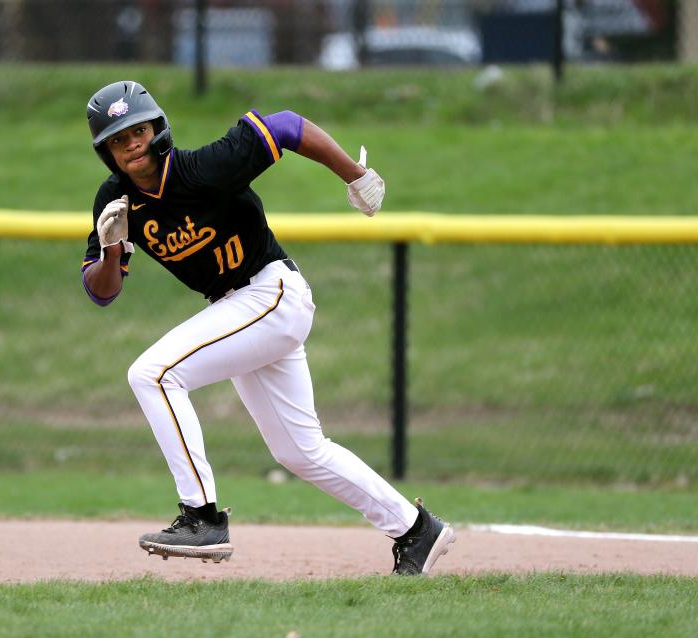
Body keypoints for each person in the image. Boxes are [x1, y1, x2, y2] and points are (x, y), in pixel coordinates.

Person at [81, 80, 455, 575]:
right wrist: (111, 249)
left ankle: (201, 517)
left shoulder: (205, 167)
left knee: (152, 374)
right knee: (300, 450)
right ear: (105, 151)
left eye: (139, 129)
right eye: (117, 138)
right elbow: (103, 291)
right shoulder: (116, 200)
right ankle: (415, 529)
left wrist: (356, 174)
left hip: (271, 291)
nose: (131, 143)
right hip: (241, 311)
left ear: (158, 129)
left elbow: (286, 127)